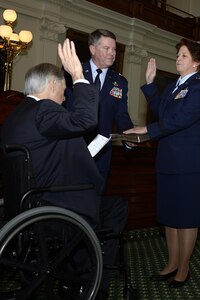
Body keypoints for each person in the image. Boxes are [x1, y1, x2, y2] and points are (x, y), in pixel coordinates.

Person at [1, 39, 128, 299]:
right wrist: (79, 76)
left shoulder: (17, 115)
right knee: (116, 207)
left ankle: (73, 273)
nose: (66, 95)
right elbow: (85, 119)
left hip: (24, 205)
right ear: (51, 86)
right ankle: (93, 284)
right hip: (53, 206)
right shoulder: (44, 109)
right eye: (63, 89)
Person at [124, 38, 200, 288]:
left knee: (187, 216)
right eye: (178, 54)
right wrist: (149, 84)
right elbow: (162, 112)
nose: (178, 58)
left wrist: (146, 129)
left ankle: (184, 268)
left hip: (191, 161)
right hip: (169, 158)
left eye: (184, 55)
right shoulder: (173, 86)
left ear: (197, 62)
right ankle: (172, 263)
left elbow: (183, 119)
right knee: (170, 215)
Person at [64, 29, 134, 181]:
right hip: (74, 147)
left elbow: (121, 115)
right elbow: (66, 109)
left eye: (114, 49)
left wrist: (130, 137)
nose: (112, 53)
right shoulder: (74, 72)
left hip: (102, 153)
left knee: (97, 199)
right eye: (107, 48)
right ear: (93, 49)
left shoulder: (120, 82)